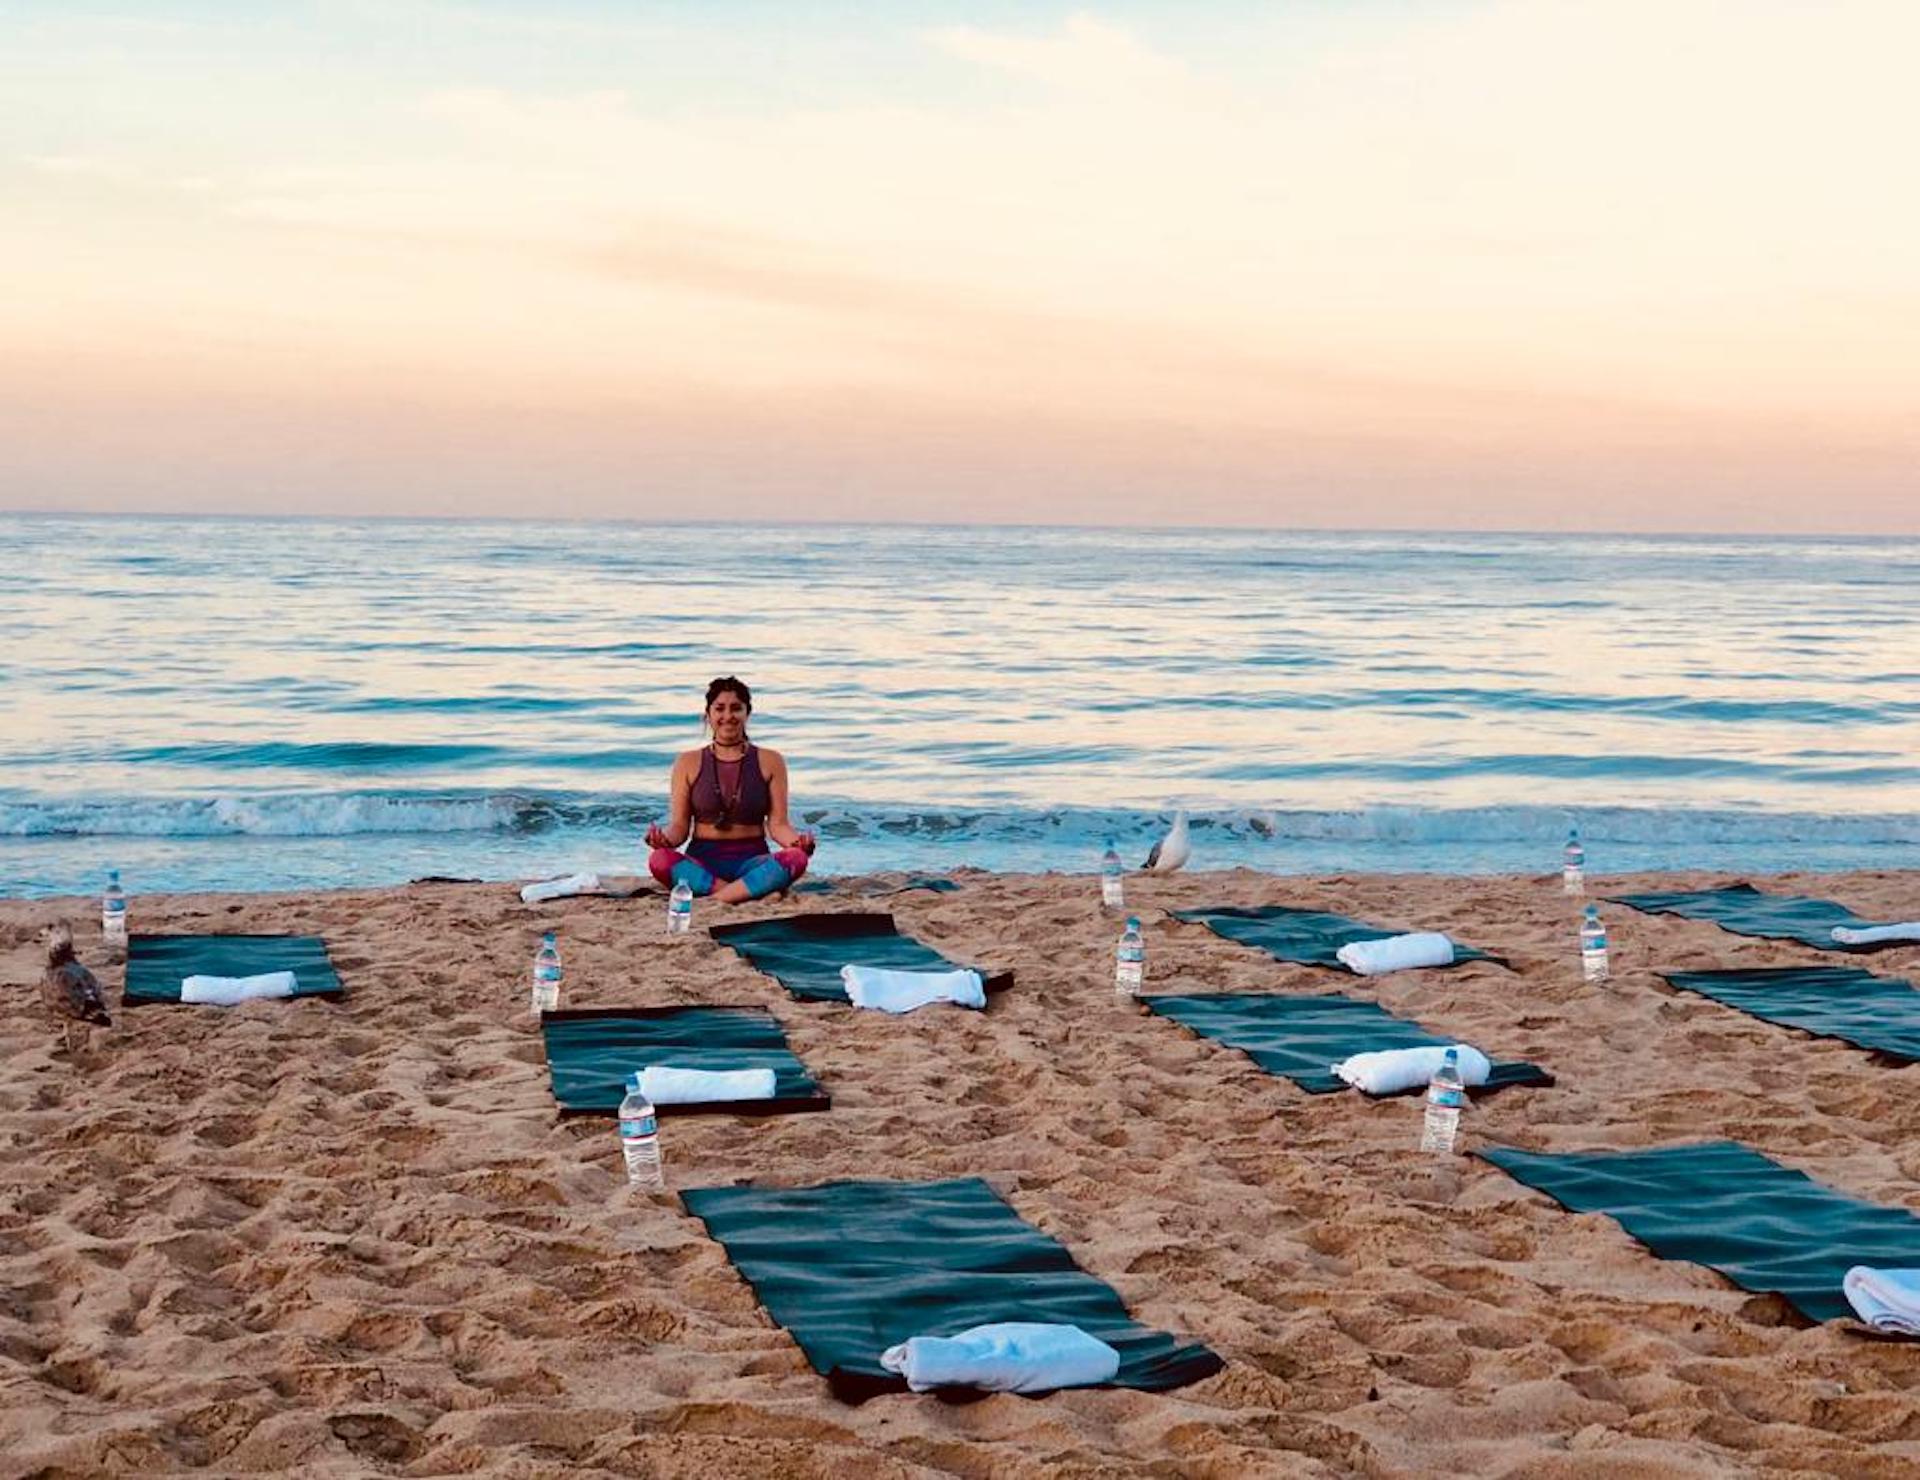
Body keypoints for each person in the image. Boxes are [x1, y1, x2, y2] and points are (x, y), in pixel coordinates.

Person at [646, 676, 816, 902]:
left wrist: (798, 843)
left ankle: (715, 898)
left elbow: (778, 825)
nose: (728, 716)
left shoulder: (771, 760)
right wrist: (663, 841)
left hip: (752, 862)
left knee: (796, 859)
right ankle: (742, 893)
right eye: (720, 709)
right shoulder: (687, 761)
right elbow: (679, 826)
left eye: (736, 708)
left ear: (748, 713)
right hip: (703, 863)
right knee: (659, 859)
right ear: (708, 715)